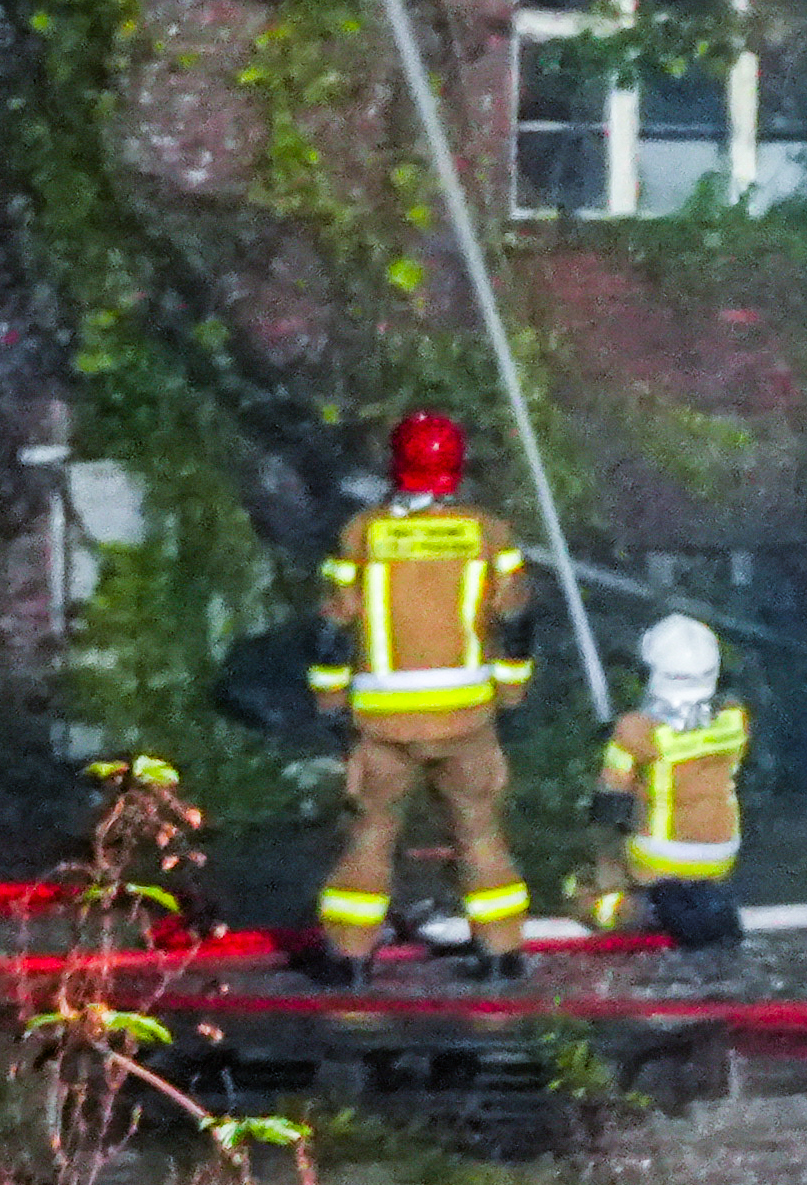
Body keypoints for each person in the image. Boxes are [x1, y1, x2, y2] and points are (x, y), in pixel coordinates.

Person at [304, 407, 533, 980]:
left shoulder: (362, 533)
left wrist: (330, 702)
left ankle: (350, 961)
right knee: (480, 830)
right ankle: (501, 953)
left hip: (385, 724)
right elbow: (518, 619)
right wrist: (510, 690)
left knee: (371, 833)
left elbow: (332, 629)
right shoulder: (487, 533)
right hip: (466, 719)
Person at [574, 609, 751, 951]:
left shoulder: (636, 731)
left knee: (579, 892)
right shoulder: (734, 720)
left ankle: (632, 914)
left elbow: (610, 804)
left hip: (658, 856)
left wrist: (613, 743)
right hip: (721, 856)